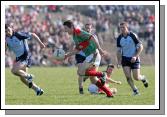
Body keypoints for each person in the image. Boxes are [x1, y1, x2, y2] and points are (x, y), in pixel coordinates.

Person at [63, 20, 113, 97]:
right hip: (92, 56)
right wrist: (67, 55)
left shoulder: (78, 31)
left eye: (66, 28)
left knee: (80, 72)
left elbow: (92, 37)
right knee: (93, 79)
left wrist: (99, 48)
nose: (65, 30)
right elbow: (77, 50)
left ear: (71, 27)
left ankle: (102, 74)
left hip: (93, 55)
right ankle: (109, 93)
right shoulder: (74, 36)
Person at [5, 24, 46, 96]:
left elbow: (33, 34)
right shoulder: (6, 39)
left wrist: (41, 44)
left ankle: (29, 76)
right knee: (22, 79)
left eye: (8, 30)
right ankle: (38, 90)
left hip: (25, 57)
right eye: (5, 32)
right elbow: (5, 50)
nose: (7, 32)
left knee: (14, 70)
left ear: (11, 28)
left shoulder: (18, 34)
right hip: (19, 58)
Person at [116, 21, 148, 96]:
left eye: (123, 27)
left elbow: (141, 47)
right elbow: (118, 51)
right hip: (125, 59)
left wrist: (135, 56)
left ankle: (143, 78)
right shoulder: (119, 38)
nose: (122, 29)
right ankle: (135, 91)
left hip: (134, 58)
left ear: (127, 27)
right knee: (128, 77)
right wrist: (118, 61)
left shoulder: (133, 35)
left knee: (136, 77)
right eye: (121, 28)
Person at [75, 23, 101, 94]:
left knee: (91, 75)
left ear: (91, 29)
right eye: (86, 28)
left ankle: (99, 88)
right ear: (84, 29)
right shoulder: (80, 36)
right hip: (81, 55)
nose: (87, 29)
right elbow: (75, 46)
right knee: (80, 71)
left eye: (89, 28)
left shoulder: (94, 36)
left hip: (91, 56)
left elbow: (96, 48)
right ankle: (81, 88)